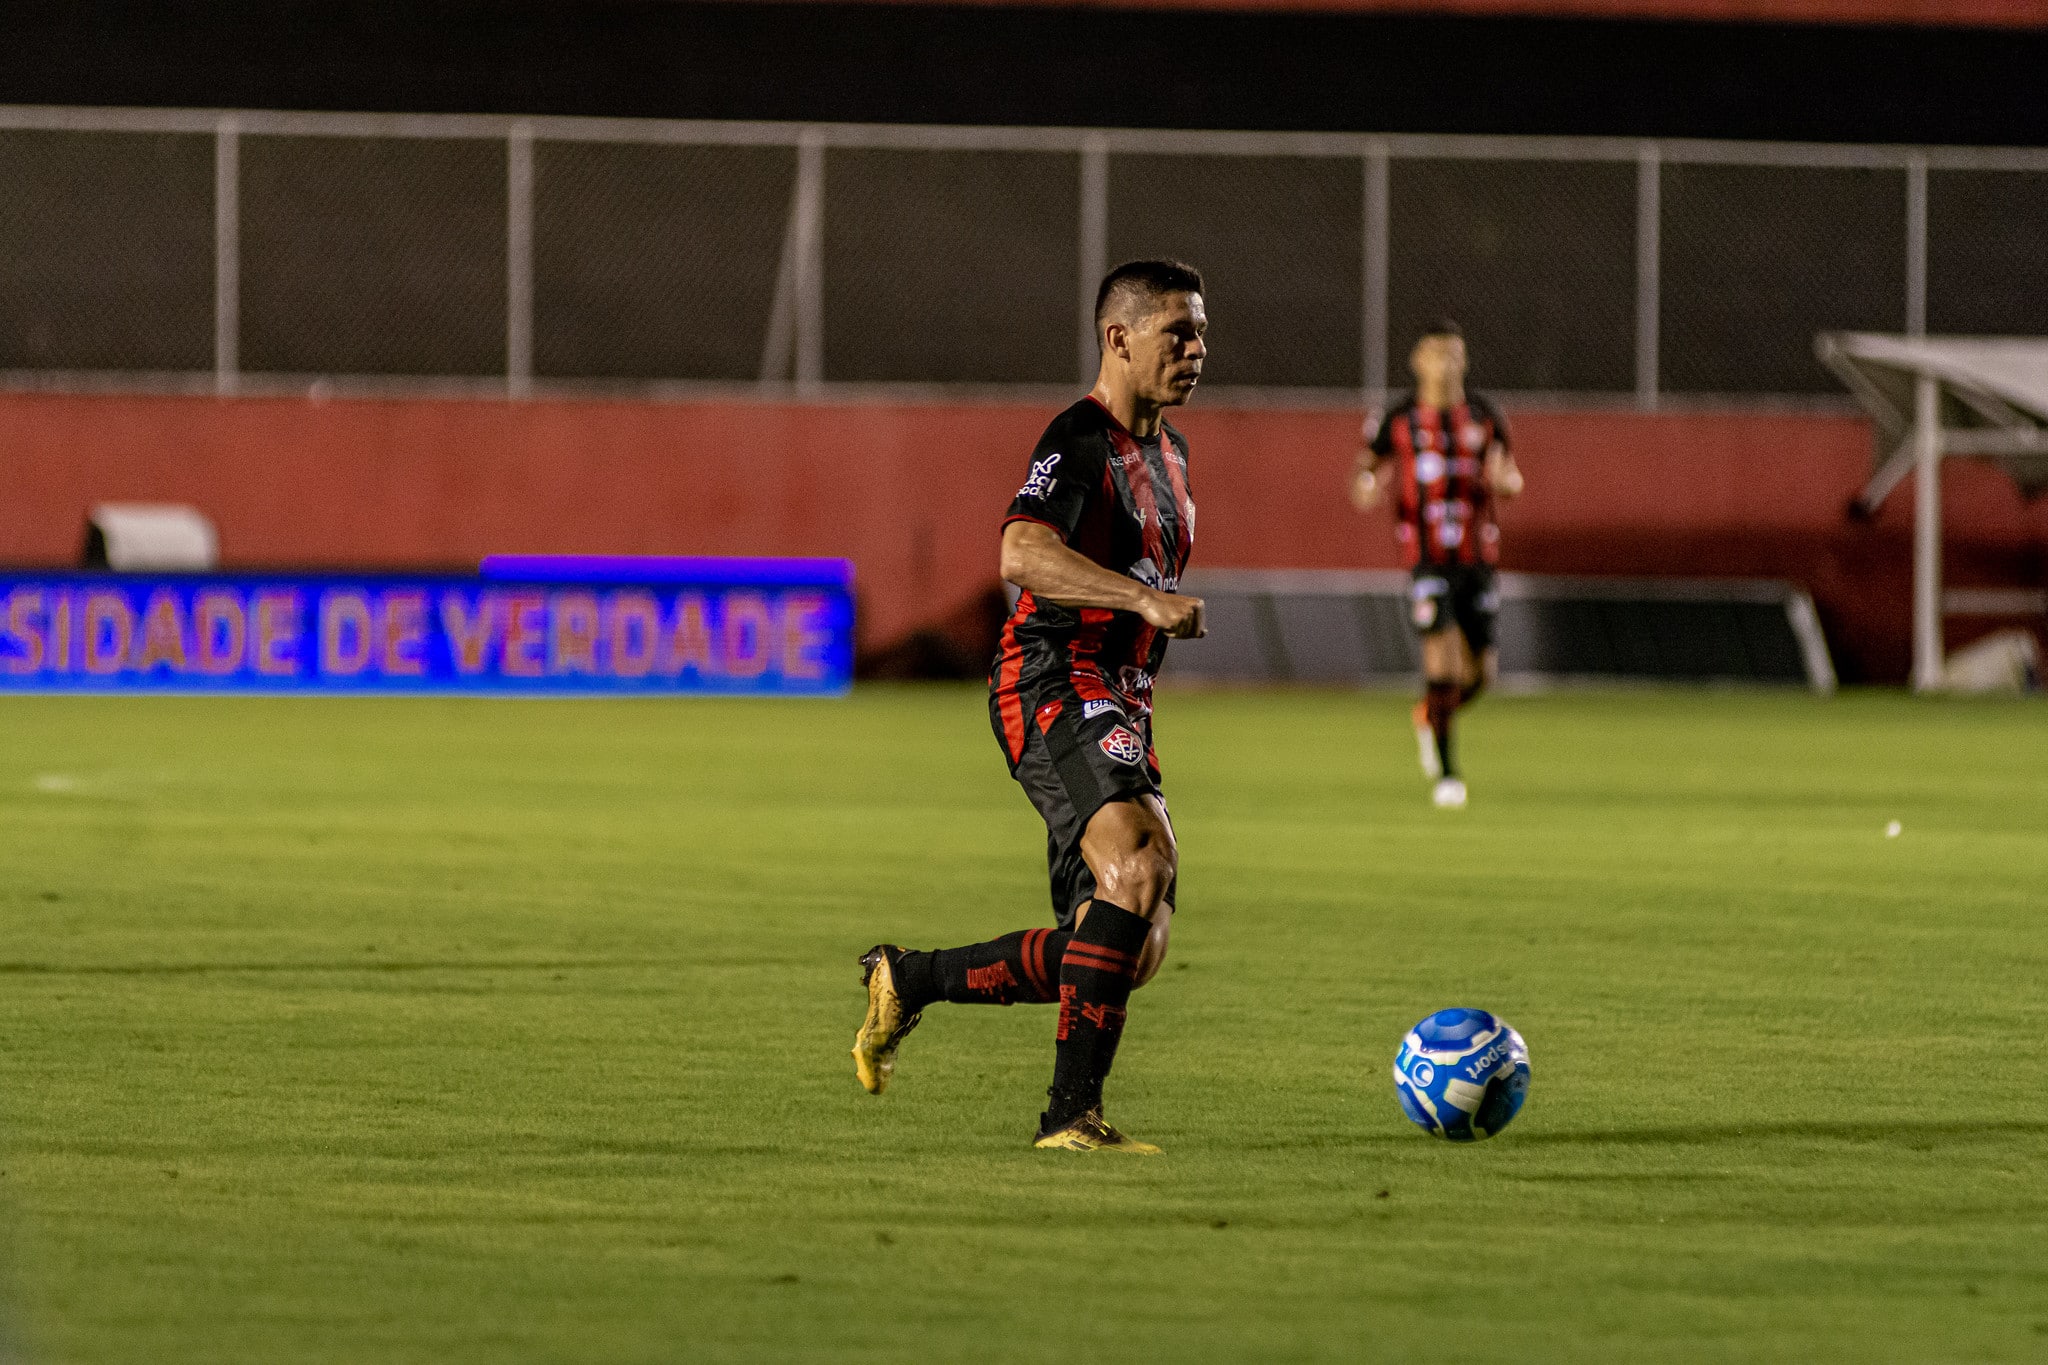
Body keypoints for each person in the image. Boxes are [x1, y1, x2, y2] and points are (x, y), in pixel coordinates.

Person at [850, 260, 1209, 1154]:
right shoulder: (1078, 437)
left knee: (1129, 941)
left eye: (1202, 332)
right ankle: (1069, 1118)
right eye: (1178, 332)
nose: (1197, 350)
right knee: (1137, 866)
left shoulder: (1171, 453)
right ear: (1119, 339)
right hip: (1050, 677)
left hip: (1119, 699)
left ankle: (910, 977)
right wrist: (1140, 599)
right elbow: (1020, 554)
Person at [1351, 321, 1524, 809]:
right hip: (1427, 562)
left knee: (1481, 677)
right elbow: (1365, 467)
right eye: (1436, 355)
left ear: (1463, 360)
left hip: (1479, 560)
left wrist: (1509, 484)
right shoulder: (1399, 417)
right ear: (1418, 361)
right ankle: (1449, 775)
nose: (1445, 364)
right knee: (1443, 662)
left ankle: (1429, 715)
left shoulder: (1486, 415)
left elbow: (1509, 474)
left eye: (1454, 355)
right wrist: (1366, 484)